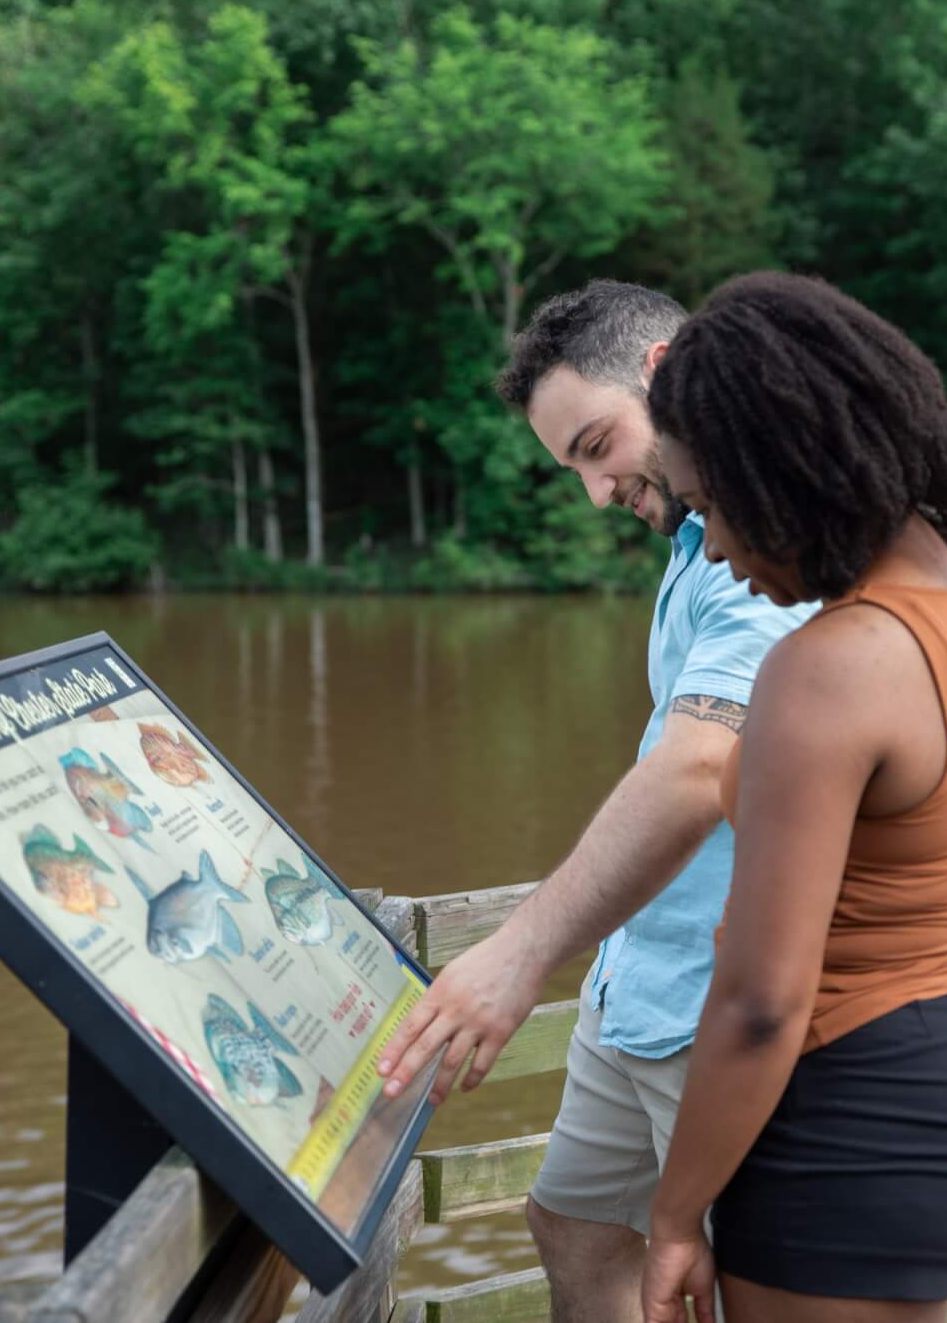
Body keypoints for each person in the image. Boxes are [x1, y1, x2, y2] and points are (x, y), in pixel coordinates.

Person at [373, 279, 814, 1321]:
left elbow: (701, 768)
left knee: (735, 1285)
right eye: (570, 461)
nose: (594, 490)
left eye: (594, 445)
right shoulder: (690, 539)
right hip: (631, 990)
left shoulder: (764, 548)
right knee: (572, 1224)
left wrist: (519, 954)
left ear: (669, 373)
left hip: (721, 1007)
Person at [635, 273, 947, 1323]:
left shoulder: (828, 668)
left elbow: (762, 998)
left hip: (851, 1125)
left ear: (780, 470)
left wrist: (676, 1216)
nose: (713, 544)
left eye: (711, 504)